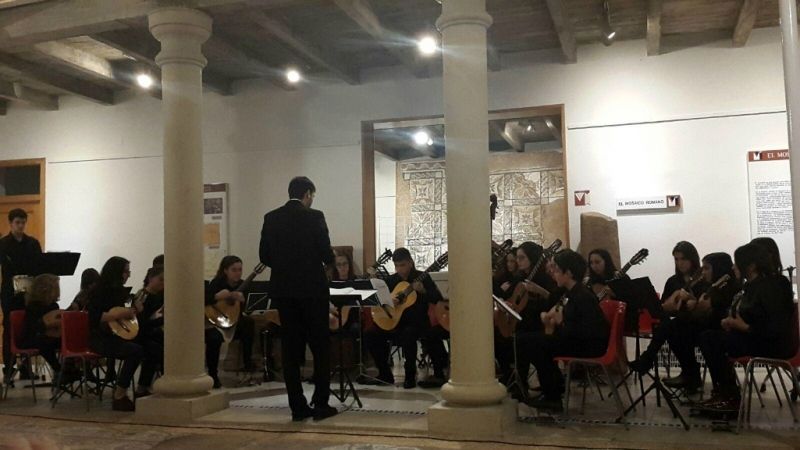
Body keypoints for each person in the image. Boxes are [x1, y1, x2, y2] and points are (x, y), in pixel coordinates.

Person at [259, 176, 337, 422]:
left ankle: (298, 407)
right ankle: (321, 404)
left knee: (291, 350)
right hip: (312, 291)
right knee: (320, 348)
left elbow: (264, 256)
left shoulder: (271, 218)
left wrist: (285, 265)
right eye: (312, 196)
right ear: (308, 194)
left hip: (284, 292)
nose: (312, 200)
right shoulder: (315, 217)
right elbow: (326, 254)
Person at [697, 243, 795, 413]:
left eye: (737, 262)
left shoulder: (773, 286)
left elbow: (775, 327)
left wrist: (743, 326)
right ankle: (725, 392)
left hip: (771, 343)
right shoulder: (750, 286)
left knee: (711, 340)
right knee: (708, 336)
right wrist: (731, 322)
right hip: (754, 338)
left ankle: (730, 396)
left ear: (751, 266)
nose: (734, 267)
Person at [629, 252, 740, 391]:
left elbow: (714, 311)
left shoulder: (727, 287)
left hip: (718, 329)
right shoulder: (706, 284)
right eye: (676, 259)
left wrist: (694, 303)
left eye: (707, 268)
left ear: (718, 268)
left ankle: (686, 372)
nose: (703, 272)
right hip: (704, 326)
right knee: (673, 328)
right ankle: (688, 373)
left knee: (674, 327)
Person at [520, 250, 609, 411]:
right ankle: (553, 388)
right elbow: (560, 313)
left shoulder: (583, 295)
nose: (553, 273)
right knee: (528, 340)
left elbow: (589, 331)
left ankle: (552, 397)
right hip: (576, 340)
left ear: (568, 273)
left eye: (556, 269)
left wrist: (562, 321)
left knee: (536, 344)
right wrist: (551, 317)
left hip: (589, 346)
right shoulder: (571, 292)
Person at [361, 248, 447, 389]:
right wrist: (389, 301)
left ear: (410, 263)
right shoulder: (391, 280)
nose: (400, 269)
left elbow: (437, 298)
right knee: (370, 334)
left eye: (403, 265)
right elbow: (380, 300)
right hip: (394, 321)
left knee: (409, 333)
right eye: (397, 266)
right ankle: (385, 374)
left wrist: (423, 291)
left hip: (417, 322)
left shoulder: (422, 277)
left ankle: (410, 376)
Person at [87, 257, 160, 411]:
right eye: (126, 271)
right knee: (135, 351)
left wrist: (136, 311)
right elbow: (93, 317)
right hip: (100, 338)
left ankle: (142, 389)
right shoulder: (97, 292)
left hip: (118, 334)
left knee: (153, 347)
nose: (128, 274)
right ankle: (119, 394)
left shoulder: (122, 292)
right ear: (116, 272)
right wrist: (117, 314)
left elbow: (128, 319)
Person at [0, 208, 43, 381]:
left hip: (28, 293)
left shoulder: (32, 243)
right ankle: (8, 368)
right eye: (17, 222)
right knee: (9, 327)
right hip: (10, 292)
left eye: (23, 222)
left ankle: (26, 367)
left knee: (28, 326)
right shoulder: (3, 244)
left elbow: (39, 266)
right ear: (10, 224)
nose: (20, 226)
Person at [204, 256, 256, 386]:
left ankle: (247, 368)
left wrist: (243, 302)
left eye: (240, 269)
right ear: (225, 271)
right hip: (216, 321)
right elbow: (203, 301)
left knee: (249, 324)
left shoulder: (244, 285)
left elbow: (245, 310)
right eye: (234, 270)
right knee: (213, 338)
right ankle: (213, 374)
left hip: (234, 321)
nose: (238, 273)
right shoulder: (216, 283)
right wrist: (217, 296)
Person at [132, 266, 165, 396]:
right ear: (151, 278)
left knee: (173, 344)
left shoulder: (161, 296)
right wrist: (160, 319)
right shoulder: (142, 295)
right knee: (155, 349)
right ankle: (142, 387)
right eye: (161, 279)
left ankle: (168, 380)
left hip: (153, 331)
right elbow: (140, 322)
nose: (163, 283)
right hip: (141, 334)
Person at [20, 274, 62, 374]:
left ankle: (70, 368)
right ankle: (59, 369)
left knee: (67, 340)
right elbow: (34, 328)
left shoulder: (54, 305)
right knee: (45, 343)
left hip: (49, 337)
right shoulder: (33, 306)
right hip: (32, 338)